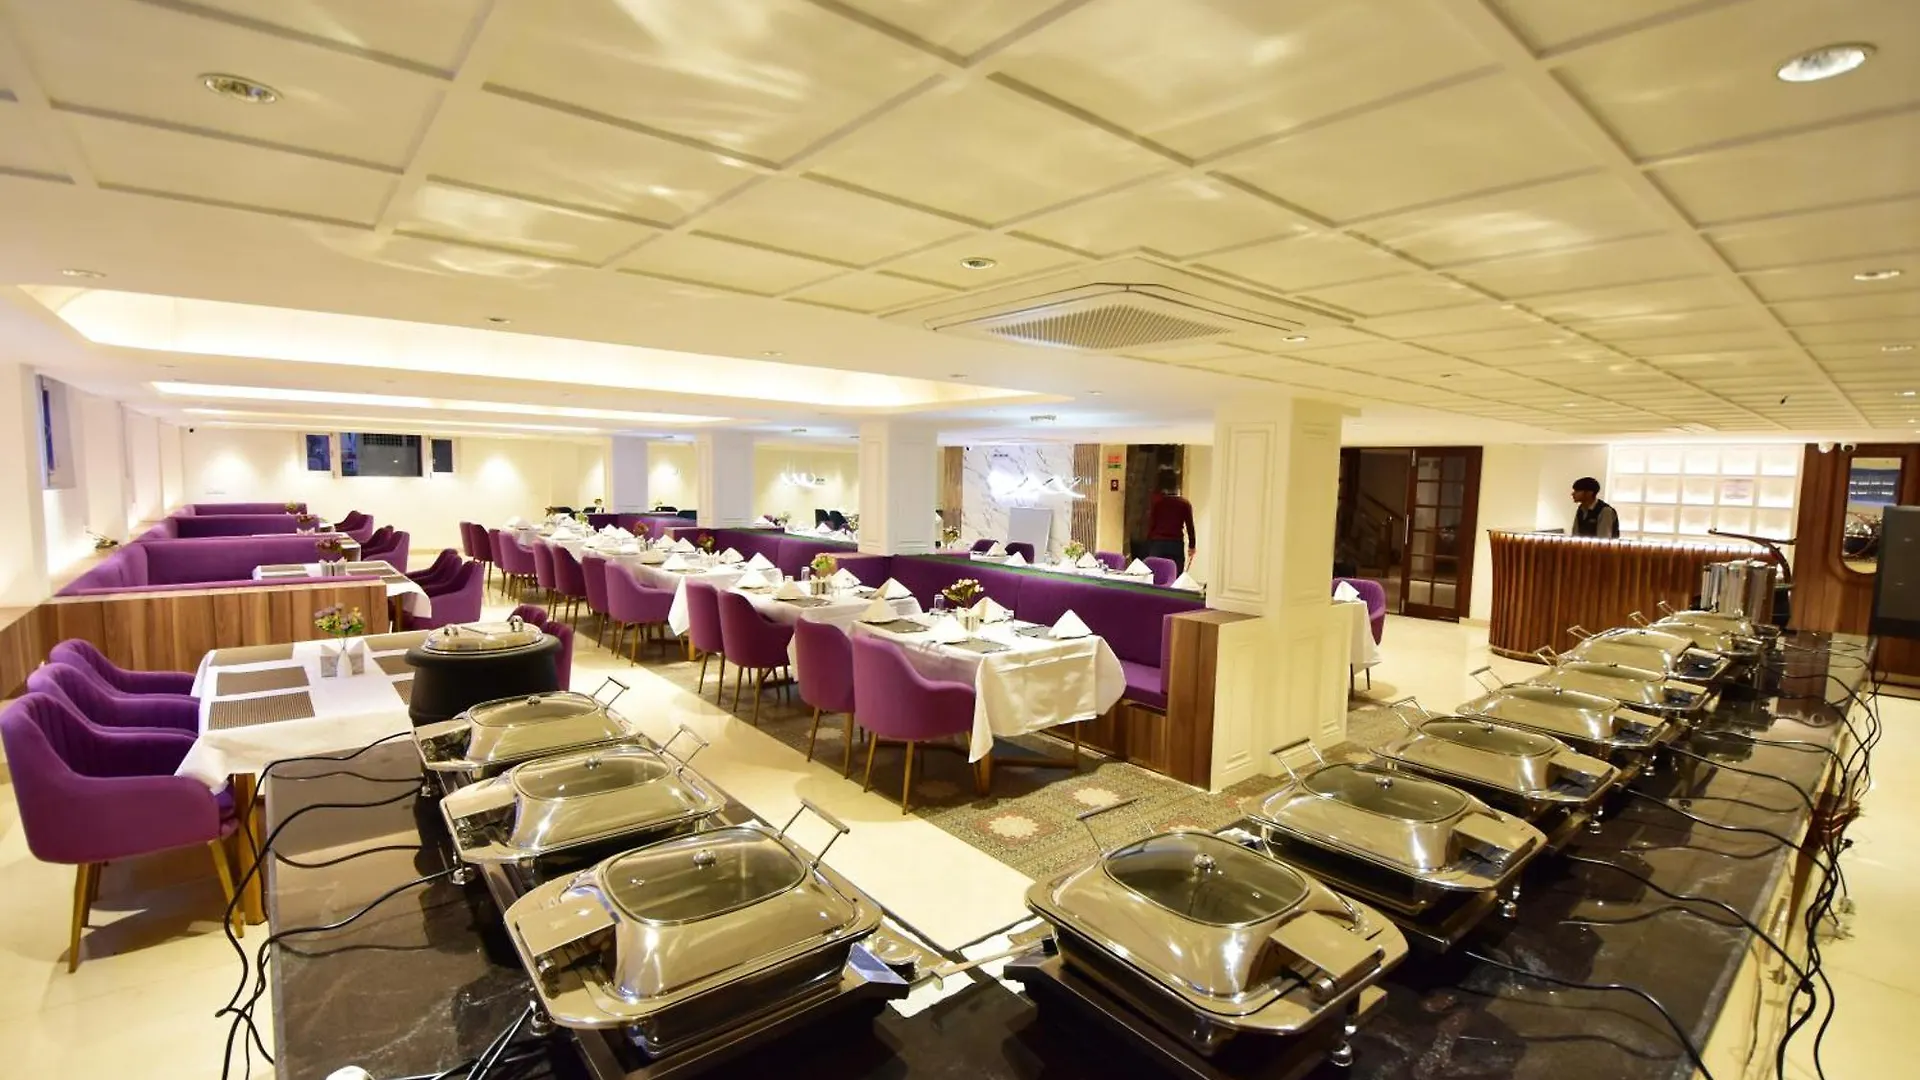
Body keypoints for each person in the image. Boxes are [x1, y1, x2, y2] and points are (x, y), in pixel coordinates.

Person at [1145, 479, 1197, 573]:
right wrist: (1192, 546)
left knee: (1154, 573)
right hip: (1176, 544)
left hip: (1158, 543)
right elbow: (1190, 526)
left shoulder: (1158, 503)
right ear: (1177, 488)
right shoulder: (1184, 504)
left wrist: (1149, 542)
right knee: (1176, 573)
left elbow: (1152, 523)